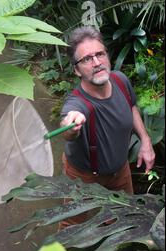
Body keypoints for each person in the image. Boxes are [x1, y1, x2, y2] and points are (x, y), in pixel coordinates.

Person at [59, 26, 155, 228]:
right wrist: (70, 125)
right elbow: (67, 126)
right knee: (71, 223)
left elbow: (131, 106)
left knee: (123, 217)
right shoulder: (76, 104)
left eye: (100, 54)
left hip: (120, 172)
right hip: (83, 176)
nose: (96, 63)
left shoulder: (120, 80)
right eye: (86, 59)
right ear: (76, 70)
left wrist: (145, 141)